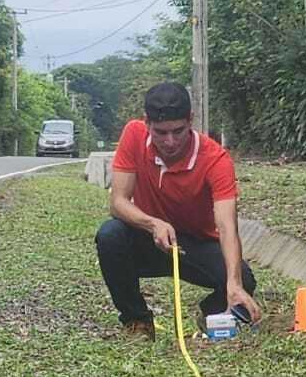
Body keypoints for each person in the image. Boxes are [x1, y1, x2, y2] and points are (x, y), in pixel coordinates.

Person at [95, 82, 262, 339]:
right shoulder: (133, 135)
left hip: (194, 245)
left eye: (178, 131)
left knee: (244, 281)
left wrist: (234, 283)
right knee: (110, 235)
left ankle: (210, 314)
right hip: (147, 239)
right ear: (146, 122)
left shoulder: (215, 159)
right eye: (161, 132)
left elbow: (227, 226)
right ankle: (137, 320)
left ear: (191, 121)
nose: (170, 141)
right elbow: (118, 202)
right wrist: (153, 224)